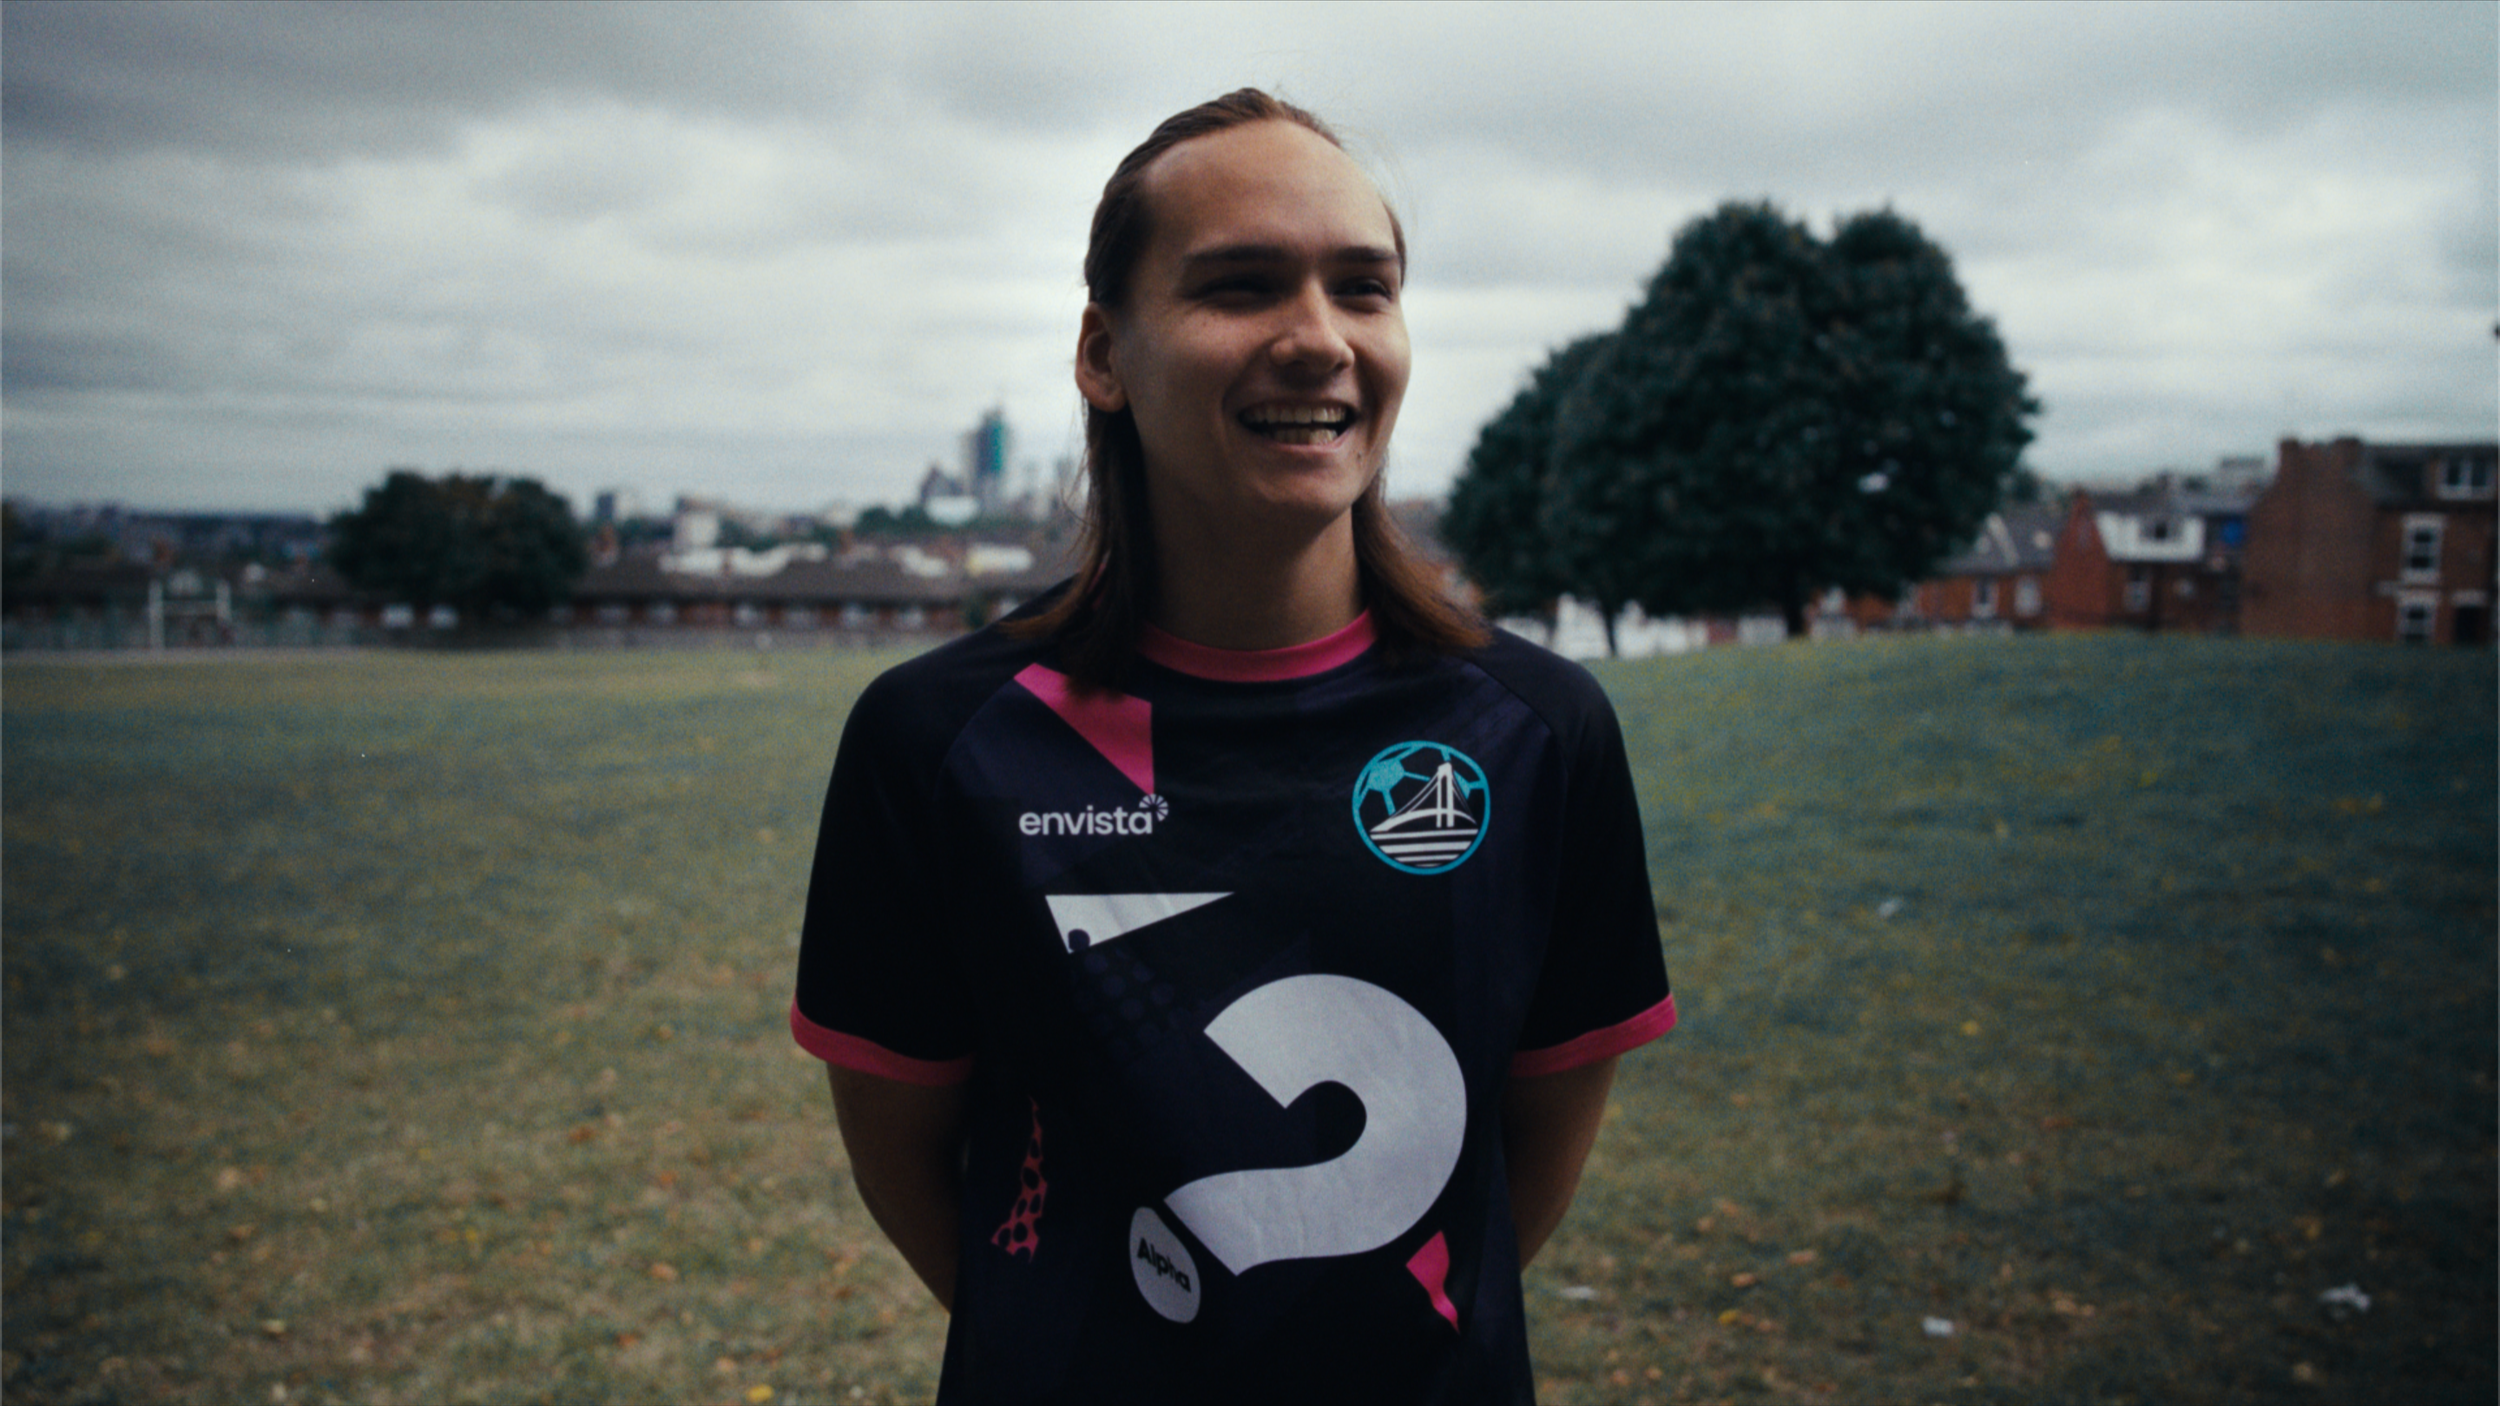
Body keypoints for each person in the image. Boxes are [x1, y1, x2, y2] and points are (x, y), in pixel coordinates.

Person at [791, 89, 1675, 1404]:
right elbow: (912, 1158)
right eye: (1242, 286)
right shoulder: (940, 741)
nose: (1318, 339)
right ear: (1105, 353)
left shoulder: (1539, 731)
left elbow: (1527, 1152)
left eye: (1363, 289)